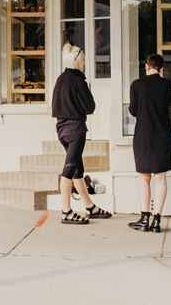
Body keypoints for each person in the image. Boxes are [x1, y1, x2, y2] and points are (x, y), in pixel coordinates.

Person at [51, 43, 111, 224]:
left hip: (62, 130)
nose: (84, 63)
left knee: (77, 170)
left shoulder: (61, 79)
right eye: (83, 59)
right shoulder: (78, 81)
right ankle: (66, 211)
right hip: (76, 130)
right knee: (68, 170)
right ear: (76, 61)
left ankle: (90, 206)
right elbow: (90, 107)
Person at [128, 54, 171, 233]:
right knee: (160, 178)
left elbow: (133, 111)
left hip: (143, 134)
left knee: (144, 177)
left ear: (146, 67)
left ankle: (144, 218)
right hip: (162, 134)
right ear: (162, 69)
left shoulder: (137, 85)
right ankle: (157, 221)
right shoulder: (168, 85)